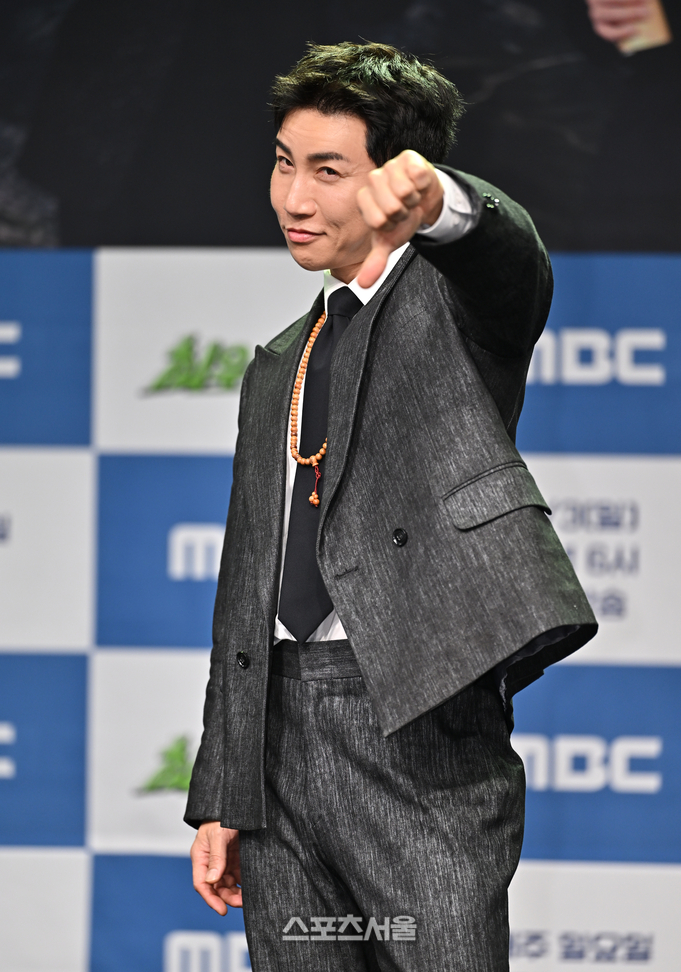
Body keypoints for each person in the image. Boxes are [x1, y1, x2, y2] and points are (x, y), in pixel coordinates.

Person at [186, 41, 597, 971]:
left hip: (415, 722)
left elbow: (510, 260)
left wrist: (443, 204)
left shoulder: (459, 308)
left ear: (392, 179)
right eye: (284, 164)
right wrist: (221, 791)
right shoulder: (277, 363)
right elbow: (245, 586)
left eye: (327, 171)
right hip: (275, 746)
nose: (293, 198)